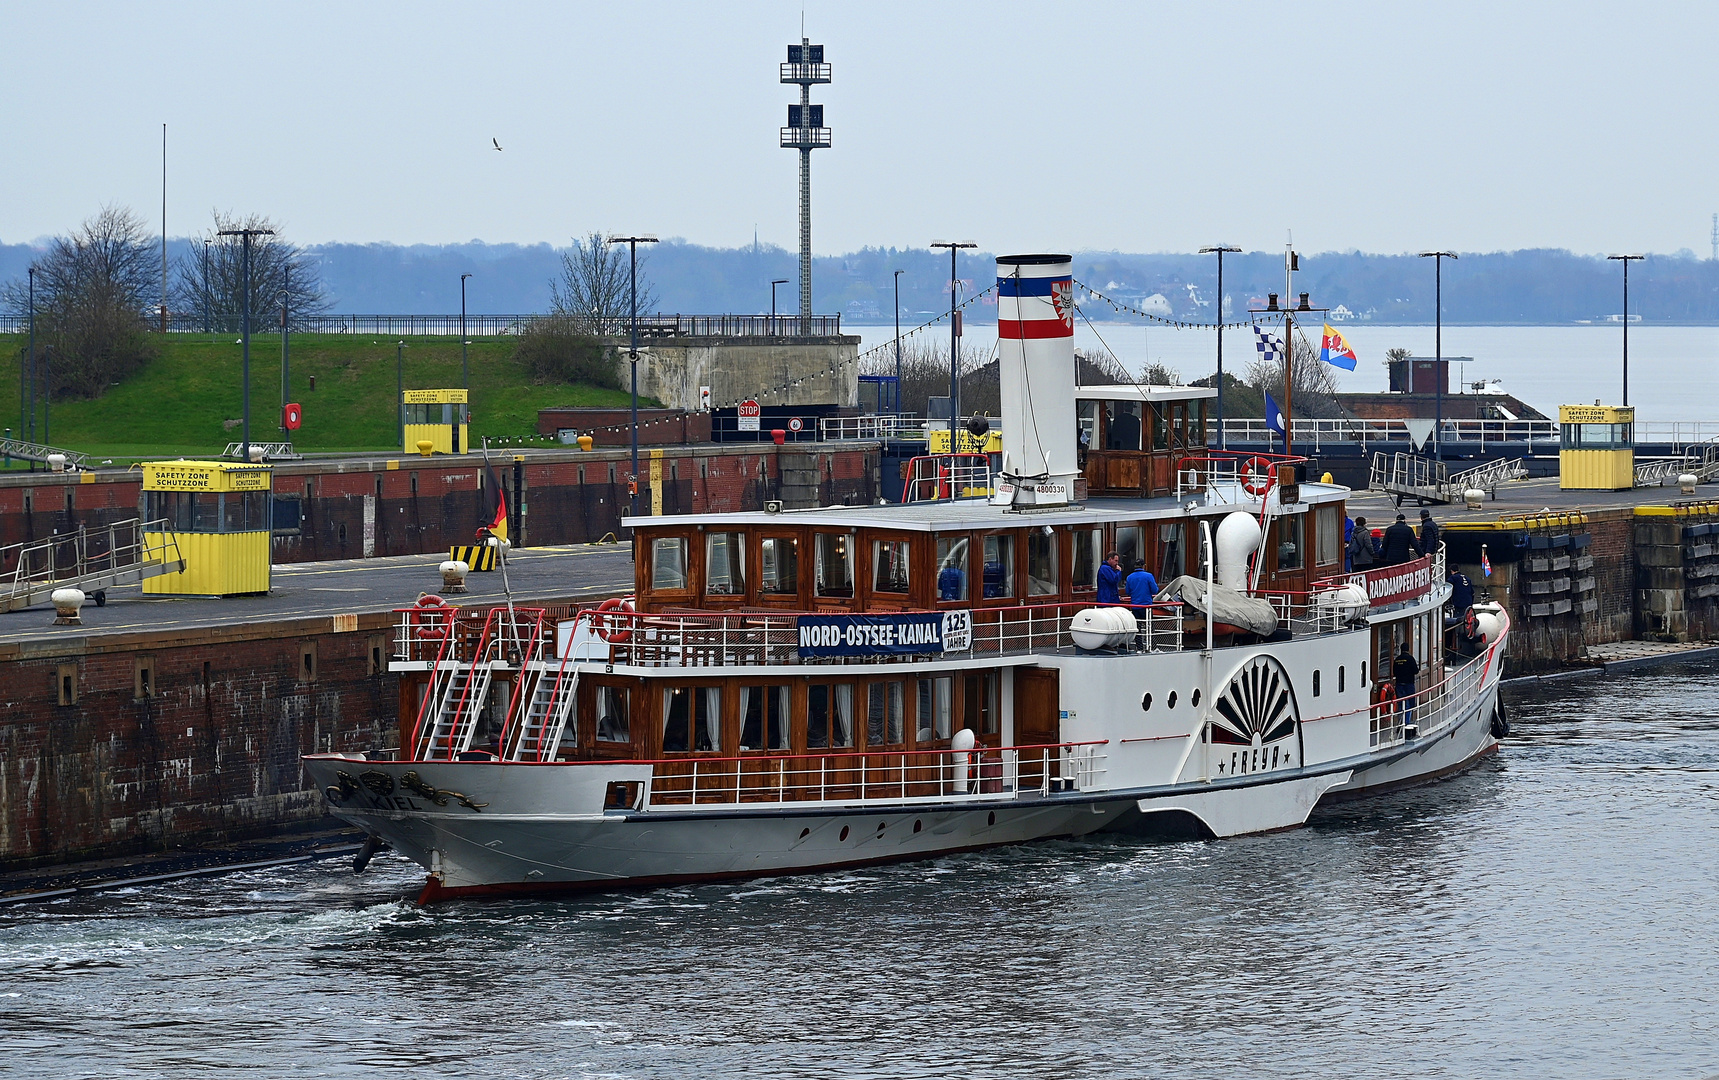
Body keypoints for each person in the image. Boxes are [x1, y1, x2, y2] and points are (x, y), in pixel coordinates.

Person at [1393, 642, 1421, 735]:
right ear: (1408, 649)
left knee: (1401, 704)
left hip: (1399, 684)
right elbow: (1416, 671)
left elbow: (1394, 672)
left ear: (1401, 649)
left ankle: (1400, 723)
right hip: (1408, 684)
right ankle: (1406, 724)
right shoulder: (1410, 659)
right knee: (1409, 704)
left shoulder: (1397, 660)